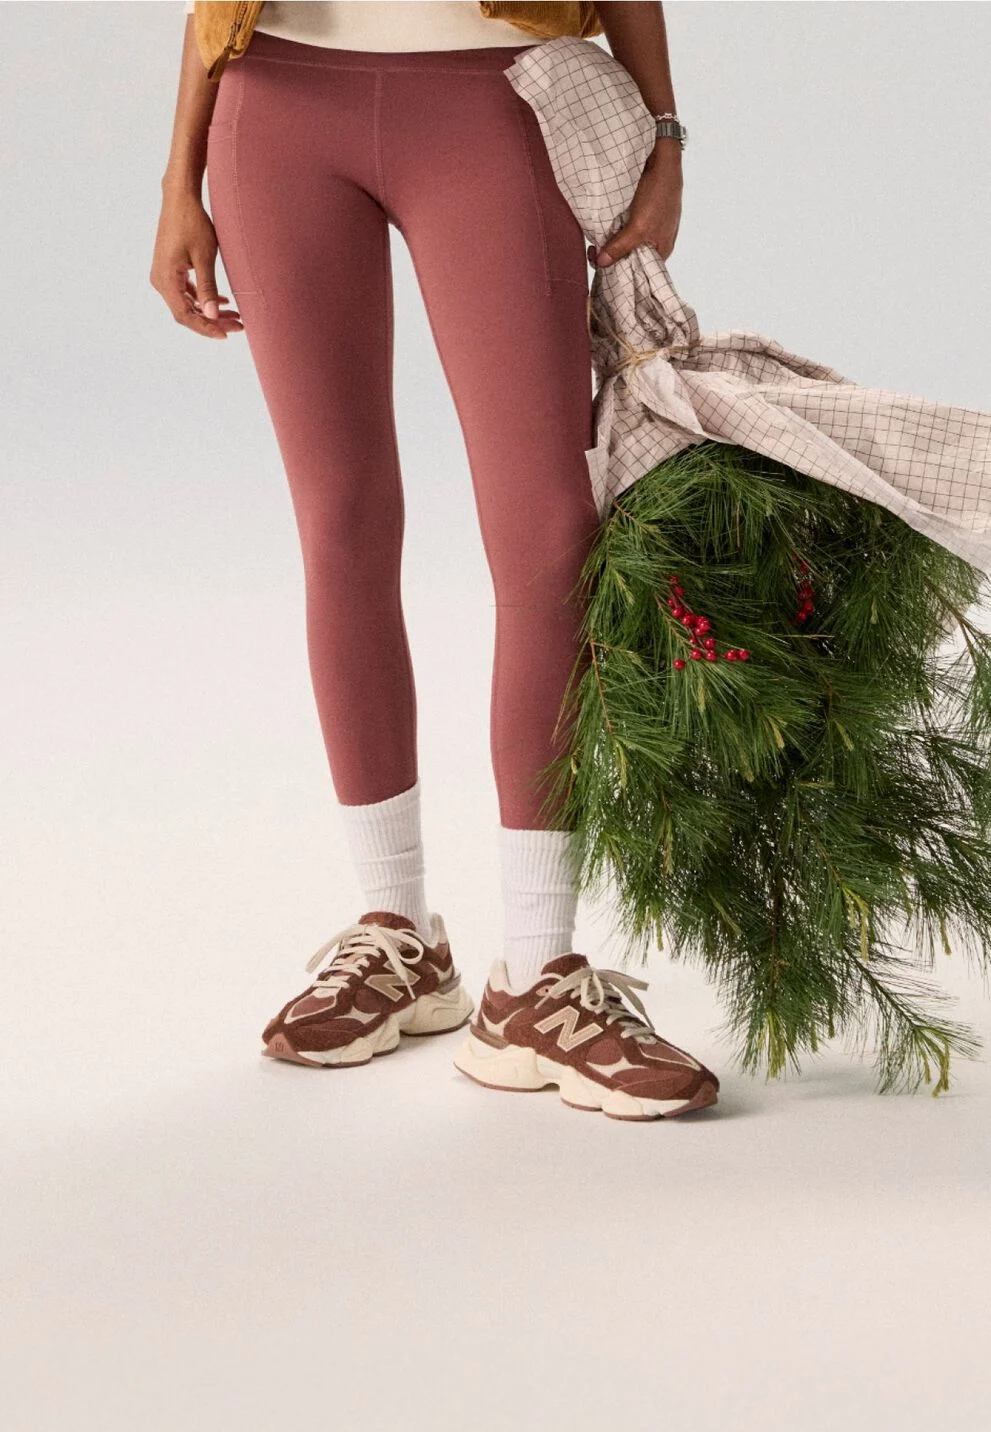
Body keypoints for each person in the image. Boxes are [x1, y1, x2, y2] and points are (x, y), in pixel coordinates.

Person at [152, 0, 718, 1121]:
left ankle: (536, 973)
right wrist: (179, 178)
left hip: (494, 102)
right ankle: (396, 932)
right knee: (341, 518)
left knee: (548, 532)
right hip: (273, 102)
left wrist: (666, 136)